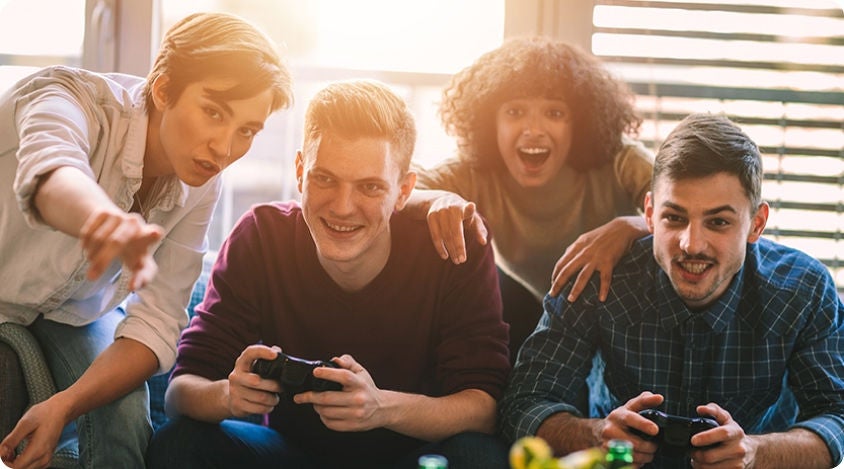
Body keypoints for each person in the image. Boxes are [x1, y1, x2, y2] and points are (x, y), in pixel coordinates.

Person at [145, 80, 512, 469]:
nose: (342, 207)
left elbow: (483, 409)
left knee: (479, 457)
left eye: (370, 187)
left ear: (403, 192)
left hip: (414, 454)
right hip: (288, 453)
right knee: (179, 442)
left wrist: (380, 408)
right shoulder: (262, 237)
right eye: (325, 179)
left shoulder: (453, 244)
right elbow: (179, 393)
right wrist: (227, 397)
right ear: (301, 172)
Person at [0, 12, 293, 469]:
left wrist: (63, 406)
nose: (224, 149)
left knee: (126, 414)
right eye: (213, 112)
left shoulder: (202, 182)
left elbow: (156, 321)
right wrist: (103, 219)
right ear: (163, 88)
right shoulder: (64, 95)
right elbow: (52, 171)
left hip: (74, 313)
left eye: (247, 131)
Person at [498, 113, 844, 468]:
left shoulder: (804, 288)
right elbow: (523, 402)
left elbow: (837, 416)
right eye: (674, 218)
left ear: (756, 224)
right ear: (649, 214)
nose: (692, 244)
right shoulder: (598, 275)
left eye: (719, 222)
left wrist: (756, 452)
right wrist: (596, 434)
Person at [409, 36, 653, 357]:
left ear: (579, 123)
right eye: (514, 111)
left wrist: (632, 225)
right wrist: (436, 199)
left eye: (554, 113)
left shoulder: (621, 161)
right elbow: (399, 188)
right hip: (532, 315)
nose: (533, 129)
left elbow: (688, 207)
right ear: (489, 122)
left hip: (624, 318)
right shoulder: (474, 171)